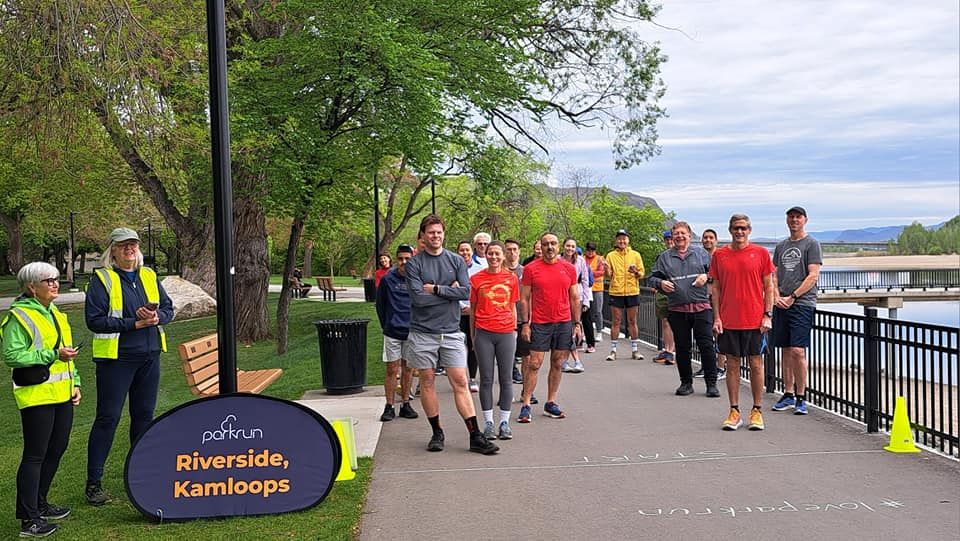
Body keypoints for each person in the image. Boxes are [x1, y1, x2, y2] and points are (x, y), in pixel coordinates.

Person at [84, 227, 174, 504]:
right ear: (112, 250)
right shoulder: (103, 279)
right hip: (117, 360)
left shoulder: (148, 275)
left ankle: (141, 473)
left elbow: (168, 309)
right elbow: (94, 320)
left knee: (144, 416)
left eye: (133, 244)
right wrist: (133, 323)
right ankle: (93, 483)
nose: (129, 249)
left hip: (149, 357)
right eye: (123, 245)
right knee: (108, 418)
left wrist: (156, 317)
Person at [404, 215, 498, 454]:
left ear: (444, 234)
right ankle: (437, 432)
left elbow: (465, 292)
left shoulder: (456, 260)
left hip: (451, 332)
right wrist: (449, 292)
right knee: (427, 381)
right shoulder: (415, 264)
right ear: (423, 235)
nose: (435, 236)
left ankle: (475, 435)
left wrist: (435, 289)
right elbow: (418, 299)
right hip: (423, 333)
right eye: (431, 232)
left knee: (461, 381)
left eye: (439, 232)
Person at [2, 262, 81, 538]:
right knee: (35, 455)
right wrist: (50, 355)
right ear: (31, 286)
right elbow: (12, 355)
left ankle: (40, 503)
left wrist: (76, 383)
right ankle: (29, 519)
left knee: (56, 449)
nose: (55, 284)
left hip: (61, 393)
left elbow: (67, 353)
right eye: (48, 280)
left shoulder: (56, 313)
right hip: (36, 395)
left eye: (56, 279)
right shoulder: (19, 316)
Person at [710, 214, 775, 431]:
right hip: (729, 320)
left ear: (750, 230)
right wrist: (717, 317)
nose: (740, 232)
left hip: (755, 320)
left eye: (744, 228)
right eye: (736, 228)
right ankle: (734, 411)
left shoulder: (761, 253)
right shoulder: (720, 255)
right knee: (732, 365)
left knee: (756, 364)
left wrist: (768, 314)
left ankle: (756, 411)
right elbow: (716, 289)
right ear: (730, 230)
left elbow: (769, 286)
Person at [648, 222, 720, 398]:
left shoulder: (702, 254)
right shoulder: (664, 257)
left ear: (689, 235)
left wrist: (707, 276)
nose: (679, 236)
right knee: (682, 347)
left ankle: (712, 384)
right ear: (672, 237)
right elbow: (651, 278)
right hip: (677, 309)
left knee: (706, 346)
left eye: (683, 233)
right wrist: (661, 283)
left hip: (702, 307)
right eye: (676, 233)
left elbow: (716, 274)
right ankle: (686, 383)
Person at [518, 232, 581, 423]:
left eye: (553, 243)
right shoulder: (530, 269)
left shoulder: (569, 269)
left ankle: (550, 402)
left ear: (559, 246)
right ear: (541, 247)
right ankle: (526, 404)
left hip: (563, 322)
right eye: (546, 244)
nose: (550, 247)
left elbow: (574, 297)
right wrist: (525, 324)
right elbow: (524, 298)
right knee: (534, 363)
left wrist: (577, 324)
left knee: (557, 363)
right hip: (539, 323)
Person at [771, 206, 822, 416]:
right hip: (782, 303)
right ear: (786, 220)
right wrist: (775, 296)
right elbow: (773, 274)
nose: (794, 220)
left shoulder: (812, 244)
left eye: (798, 217)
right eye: (791, 217)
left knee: (797, 351)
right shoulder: (781, 246)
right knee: (784, 350)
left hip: (802, 304)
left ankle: (802, 397)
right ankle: (788, 393)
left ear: (805, 220)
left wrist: (793, 297)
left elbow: (813, 275)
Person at [469, 241, 520, 440]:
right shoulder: (476, 279)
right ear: (485, 254)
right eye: (490, 253)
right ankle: (488, 422)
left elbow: (513, 307)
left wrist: (514, 330)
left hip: (506, 332)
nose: (494, 257)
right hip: (484, 332)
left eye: (497, 253)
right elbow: (473, 310)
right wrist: (473, 335)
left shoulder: (511, 278)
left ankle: (504, 422)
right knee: (487, 379)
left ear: (503, 255)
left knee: (506, 378)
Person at [375, 245, 419, 422]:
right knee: (392, 369)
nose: (404, 262)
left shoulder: (418, 279)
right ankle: (389, 405)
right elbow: (380, 306)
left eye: (407, 259)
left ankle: (406, 404)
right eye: (401, 259)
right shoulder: (388, 279)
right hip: (392, 331)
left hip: (412, 331)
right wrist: (387, 324)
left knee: (408, 369)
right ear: (396, 259)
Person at [604, 229, 645, 361]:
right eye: (619, 239)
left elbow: (642, 274)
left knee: (632, 321)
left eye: (624, 238)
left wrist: (635, 272)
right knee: (616, 321)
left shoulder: (636, 255)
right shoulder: (610, 256)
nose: (622, 241)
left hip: (632, 291)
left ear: (628, 240)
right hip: (616, 291)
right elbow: (609, 277)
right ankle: (613, 351)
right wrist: (606, 269)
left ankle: (635, 350)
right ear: (616, 241)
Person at [694, 228, 725, 380]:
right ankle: (707, 366)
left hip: (718, 299)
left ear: (716, 240)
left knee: (718, 331)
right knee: (704, 334)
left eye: (711, 238)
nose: (708, 240)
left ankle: (720, 367)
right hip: (702, 299)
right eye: (705, 238)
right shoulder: (699, 257)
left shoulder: (720, 256)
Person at [561, 238, 591, 373]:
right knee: (568, 329)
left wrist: (586, 300)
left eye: (572, 246)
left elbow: (585, 280)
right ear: (563, 247)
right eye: (568, 246)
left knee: (573, 327)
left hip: (576, 296)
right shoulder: (558, 260)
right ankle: (571, 361)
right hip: (561, 297)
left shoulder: (580, 261)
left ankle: (568, 361)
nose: (570, 249)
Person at [456, 241, 481, 390]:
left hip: (475, 312)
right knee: (458, 346)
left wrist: (472, 308)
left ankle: (472, 378)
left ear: (472, 251)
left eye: (467, 250)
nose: (465, 253)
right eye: (461, 250)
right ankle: (460, 377)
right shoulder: (452, 269)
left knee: (473, 345)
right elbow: (450, 289)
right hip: (457, 312)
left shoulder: (479, 269)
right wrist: (462, 306)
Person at [504, 239, 528, 385]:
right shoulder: (499, 272)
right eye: (508, 250)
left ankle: (527, 391)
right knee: (506, 357)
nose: (512, 252)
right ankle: (506, 394)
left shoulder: (526, 271)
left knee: (527, 357)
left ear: (519, 252)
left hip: (523, 319)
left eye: (514, 249)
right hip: (505, 320)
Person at [652, 231, 676, 365]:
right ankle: (668, 350)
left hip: (676, 293)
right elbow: (655, 275)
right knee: (665, 321)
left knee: (676, 322)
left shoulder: (680, 256)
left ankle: (671, 351)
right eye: (667, 240)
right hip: (663, 292)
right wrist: (657, 285)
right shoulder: (661, 257)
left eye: (671, 239)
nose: (669, 242)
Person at [583, 242, 607, 342]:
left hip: (597, 288)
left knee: (598, 311)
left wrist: (588, 272)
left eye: (592, 250)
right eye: (589, 250)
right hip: (585, 288)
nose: (590, 252)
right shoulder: (582, 258)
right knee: (584, 311)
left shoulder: (599, 259)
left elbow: (601, 272)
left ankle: (599, 332)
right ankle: (585, 333)